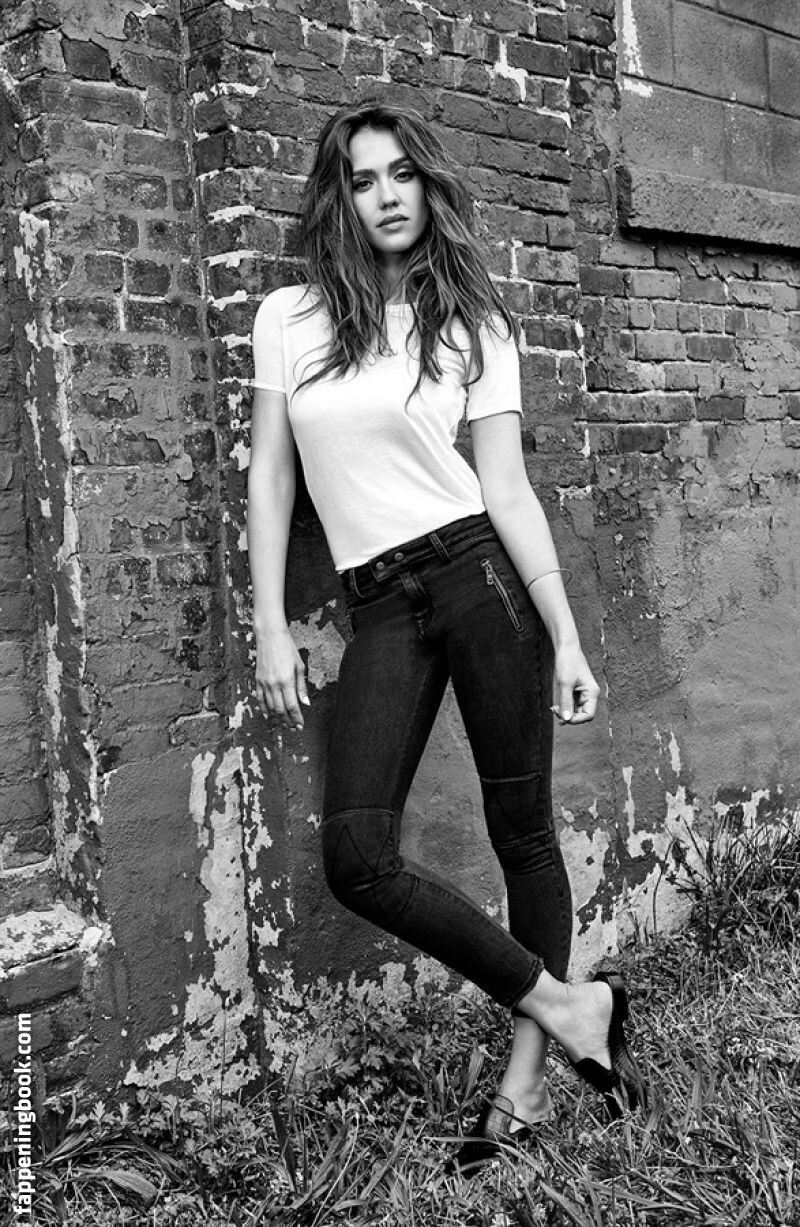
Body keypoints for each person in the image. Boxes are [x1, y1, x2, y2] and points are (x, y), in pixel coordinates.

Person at [246, 100, 645, 1176]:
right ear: (339, 197)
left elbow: (506, 490)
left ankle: (522, 1091)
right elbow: (272, 475)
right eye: (362, 178)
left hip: (479, 578)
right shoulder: (288, 317)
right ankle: (574, 1006)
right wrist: (270, 621)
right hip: (380, 602)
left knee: (523, 833)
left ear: (427, 186)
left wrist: (565, 632)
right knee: (357, 856)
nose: (385, 196)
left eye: (401, 175)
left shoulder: (474, 325)